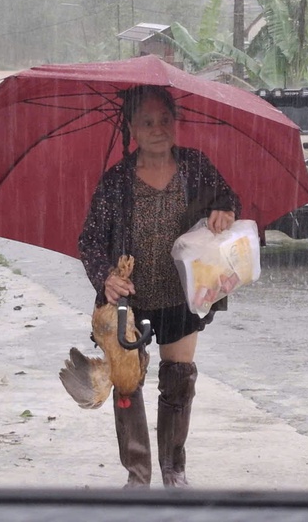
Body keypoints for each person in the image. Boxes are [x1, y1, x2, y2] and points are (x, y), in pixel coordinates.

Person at [78, 85, 240, 489]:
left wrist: (224, 210)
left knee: (179, 377)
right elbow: (90, 241)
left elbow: (228, 196)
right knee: (127, 380)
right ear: (131, 127)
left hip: (182, 295)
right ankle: (137, 474)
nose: (157, 129)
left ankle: (173, 468)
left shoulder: (195, 167)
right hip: (130, 303)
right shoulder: (116, 182)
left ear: (175, 122)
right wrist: (105, 277)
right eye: (147, 122)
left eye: (164, 120)